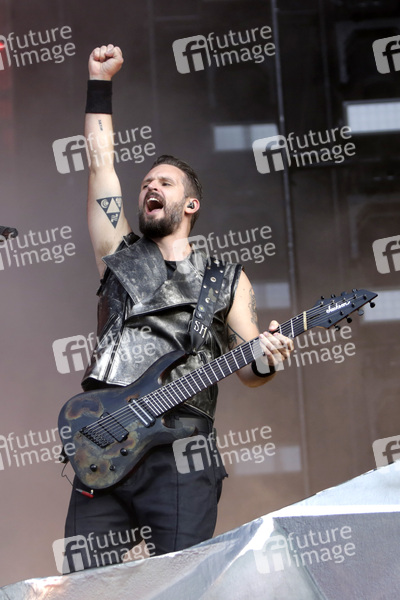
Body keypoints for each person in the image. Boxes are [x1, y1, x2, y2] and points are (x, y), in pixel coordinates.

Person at [63, 44, 294, 571]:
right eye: (146, 183)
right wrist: (99, 82)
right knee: (85, 585)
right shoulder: (119, 255)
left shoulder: (226, 278)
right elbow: (100, 163)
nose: (150, 186)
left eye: (164, 183)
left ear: (190, 205)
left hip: (183, 452)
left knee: (180, 582)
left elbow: (252, 369)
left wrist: (268, 357)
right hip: (106, 442)